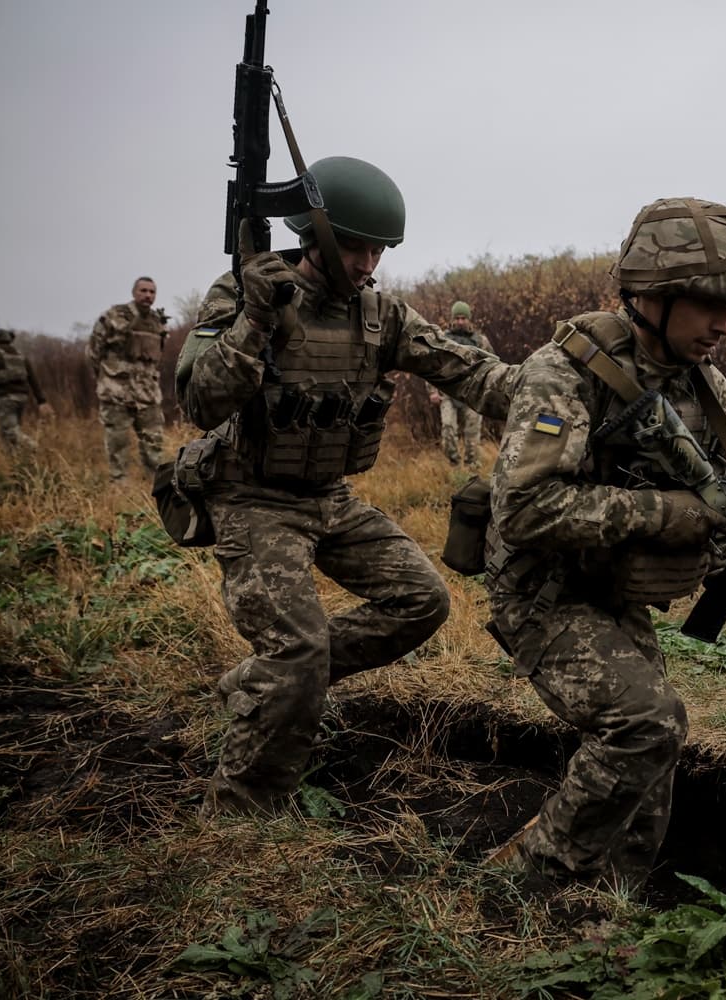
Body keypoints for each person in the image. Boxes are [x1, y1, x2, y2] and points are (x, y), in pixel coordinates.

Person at [483, 197, 726, 890]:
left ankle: (614, 899)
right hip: (543, 592)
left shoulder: (709, 390)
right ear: (652, 296)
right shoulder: (562, 373)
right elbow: (525, 508)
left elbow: (724, 516)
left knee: (658, 741)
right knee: (644, 724)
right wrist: (669, 514)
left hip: (613, 593)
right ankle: (526, 887)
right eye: (709, 307)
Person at [177, 155, 516, 817]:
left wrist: (555, 395)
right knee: (299, 648)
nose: (367, 264)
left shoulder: (380, 314)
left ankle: (267, 684)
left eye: (378, 250)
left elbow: (468, 370)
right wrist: (255, 319)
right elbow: (201, 402)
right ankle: (240, 808)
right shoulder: (243, 293)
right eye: (355, 247)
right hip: (252, 499)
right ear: (313, 236)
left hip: (328, 497)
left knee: (422, 599)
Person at [89, 276, 168, 481]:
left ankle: (156, 485)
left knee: (154, 441)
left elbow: (156, 359)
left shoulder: (157, 322)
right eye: (143, 290)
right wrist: (105, 378)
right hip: (117, 391)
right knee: (118, 441)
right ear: (134, 293)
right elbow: (93, 351)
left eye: (152, 292)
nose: (147, 295)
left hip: (148, 393)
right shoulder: (114, 316)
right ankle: (119, 486)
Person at [428, 300, 498, 464]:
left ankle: (472, 465)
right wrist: (432, 391)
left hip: (472, 391)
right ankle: (453, 464)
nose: (460, 321)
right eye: (457, 318)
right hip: (448, 390)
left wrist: (487, 389)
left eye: (463, 318)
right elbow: (431, 364)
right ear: (452, 319)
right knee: (448, 428)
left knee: (472, 432)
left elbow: (493, 365)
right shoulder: (443, 339)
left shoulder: (481, 341)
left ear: (469, 319)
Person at [0, 328, 50, 450]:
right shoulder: (22, 357)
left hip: (5, 399)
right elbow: (33, 379)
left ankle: (34, 448)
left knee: (10, 431)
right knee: (8, 431)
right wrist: (41, 400)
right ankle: (15, 462)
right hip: (22, 399)